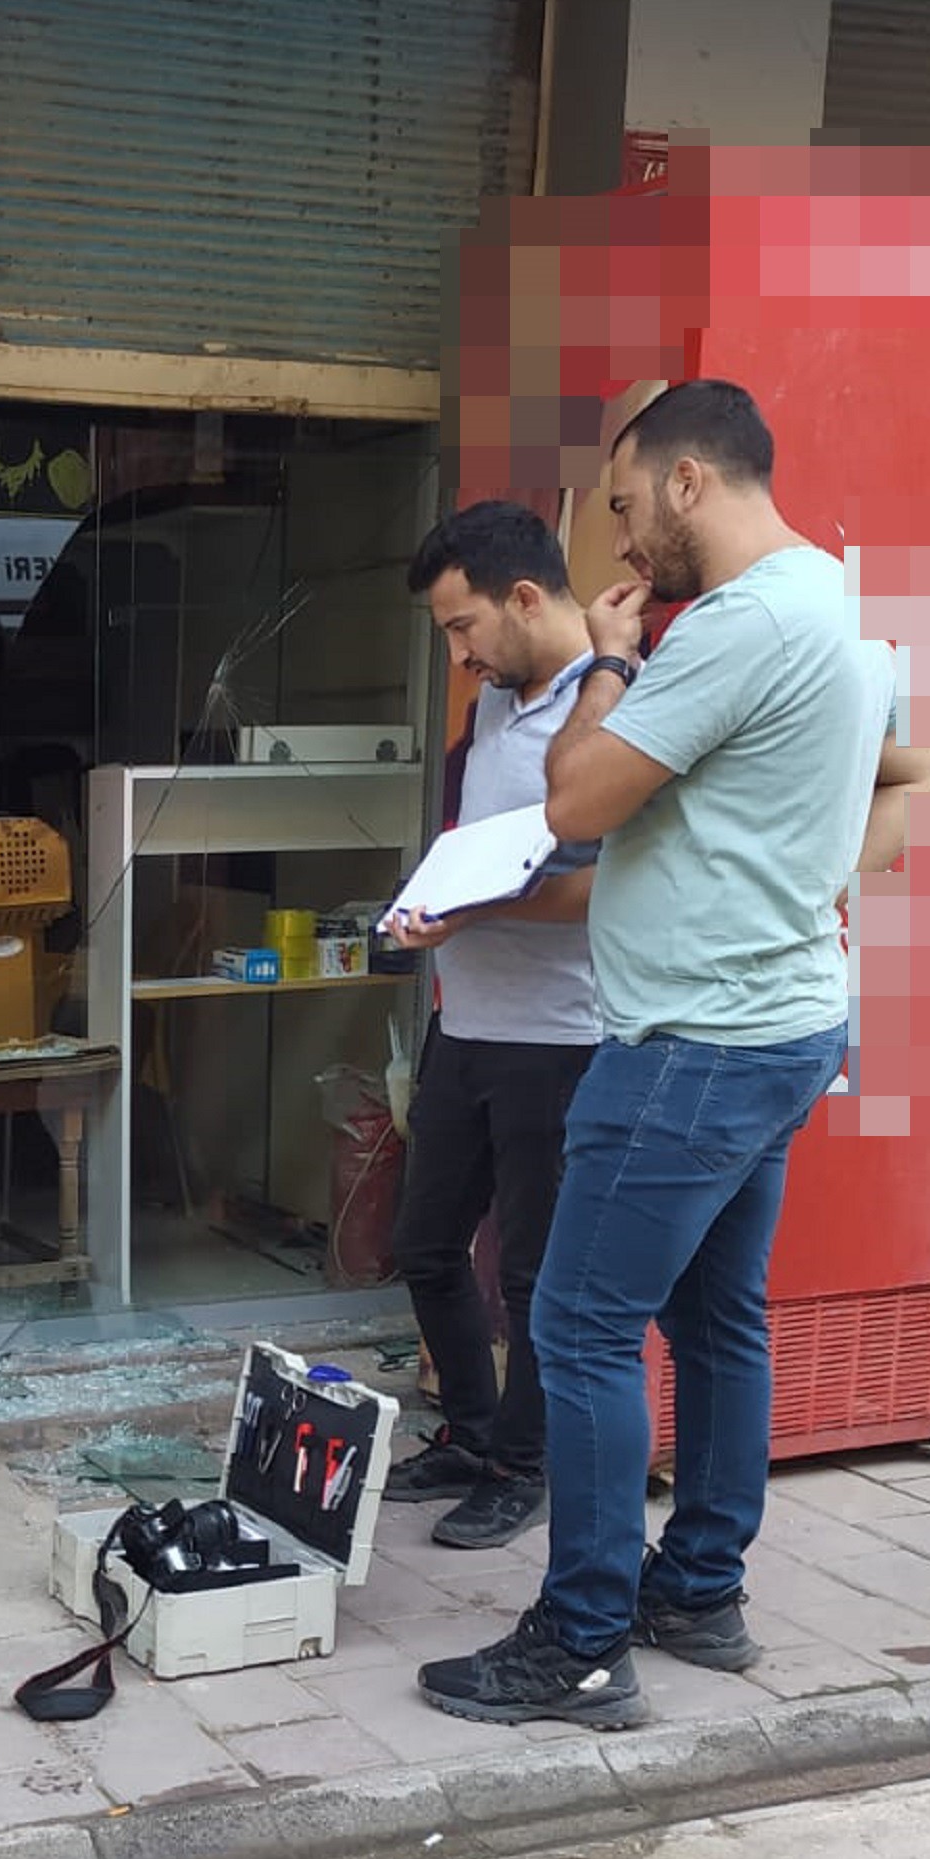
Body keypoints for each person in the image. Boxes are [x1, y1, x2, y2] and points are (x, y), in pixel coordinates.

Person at [419, 381, 930, 1728]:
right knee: (717, 1320)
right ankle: (700, 1587)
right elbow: (866, 781)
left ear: (689, 481)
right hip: (780, 1020)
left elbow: (580, 794)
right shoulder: (832, 607)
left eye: (623, 505)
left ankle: (583, 1640)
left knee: (582, 1327)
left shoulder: (735, 622)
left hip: (694, 1041)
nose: (621, 543)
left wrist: (604, 663)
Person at [380, 502, 600, 1551]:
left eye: (463, 629)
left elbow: (603, 882)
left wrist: (466, 910)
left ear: (523, 597)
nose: (458, 655)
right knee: (424, 1246)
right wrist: (427, 906)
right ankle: (469, 1432)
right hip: (464, 1023)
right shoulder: (505, 707)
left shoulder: (600, 711)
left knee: (530, 1276)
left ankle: (524, 1464)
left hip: (559, 1039)